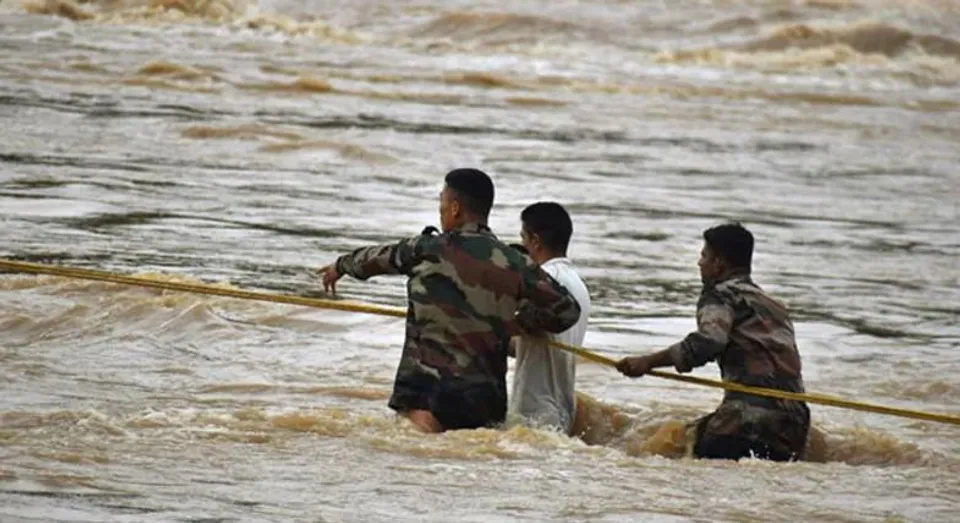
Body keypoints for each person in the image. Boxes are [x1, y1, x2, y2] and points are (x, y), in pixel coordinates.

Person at [317, 168, 581, 434]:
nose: (440, 210)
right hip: (484, 402)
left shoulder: (426, 249)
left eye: (441, 202)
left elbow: (375, 259)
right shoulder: (515, 262)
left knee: (416, 461)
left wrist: (340, 266)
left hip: (428, 394)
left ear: (455, 208)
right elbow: (567, 310)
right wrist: (517, 324)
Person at [616, 222, 810, 461]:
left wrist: (647, 362)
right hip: (796, 425)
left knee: (668, 452)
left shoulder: (719, 295)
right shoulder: (775, 305)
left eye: (704, 255)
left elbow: (709, 342)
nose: (699, 263)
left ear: (718, 264)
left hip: (746, 421)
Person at [508, 202, 591, 435]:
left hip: (534, 413)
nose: (523, 244)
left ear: (535, 241)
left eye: (524, 237)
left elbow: (515, 327)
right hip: (562, 411)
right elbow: (537, 340)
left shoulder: (544, 284)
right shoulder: (578, 286)